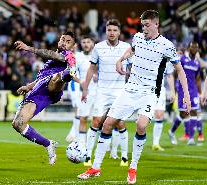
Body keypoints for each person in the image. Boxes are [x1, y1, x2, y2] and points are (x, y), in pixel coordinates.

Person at [77, 10, 191, 184]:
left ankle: (133, 167)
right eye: (142, 25)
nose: (143, 28)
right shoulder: (137, 37)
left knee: (141, 124)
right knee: (107, 124)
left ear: (156, 24)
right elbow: (132, 49)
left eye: (146, 25)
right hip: (129, 89)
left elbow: (180, 70)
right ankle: (96, 167)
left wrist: (186, 95)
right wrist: (120, 60)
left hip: (149, 92)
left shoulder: (166, 45)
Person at [12, 31, 77, 165]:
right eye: (63, 39)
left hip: (53, 88)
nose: (64, 42)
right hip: (38, 91)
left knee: (55, 79)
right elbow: (41, 78)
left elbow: (52, 54)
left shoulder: (67, 55)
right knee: (18, 124)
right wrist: (28, 87)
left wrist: (29, 48)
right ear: (59, 41)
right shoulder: (49, 62)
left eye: (68, 41)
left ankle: (67, 74)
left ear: (73, 47)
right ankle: (48, 144)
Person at [81, 19, 131, 167]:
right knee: (96, 121)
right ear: (106, 31)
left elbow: (133, 68)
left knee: (120, 123)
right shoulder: (98, 47)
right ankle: (87, 155)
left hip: (120, 92)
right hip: (102, 91)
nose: (112, 33)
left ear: (119, 32)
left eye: (115, 30)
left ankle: (124, 157)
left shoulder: (126, 47)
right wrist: (85, 88)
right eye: (109, 30)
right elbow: (92, 69)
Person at [168, 42, 202, 145]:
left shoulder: (197, 63)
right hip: (182, 90)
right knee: (183, 114)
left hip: (193, 91)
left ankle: (191, 139)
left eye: (196, 47)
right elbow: (174, 74)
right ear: (188, 48)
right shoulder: (182, 59)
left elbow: (198, 79)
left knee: (194, 112)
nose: (195, 49)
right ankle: (172, 131)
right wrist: (173, 91)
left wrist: (200, 93)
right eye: (193, 47)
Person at [72, 36, 97, 166]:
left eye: (88, 42)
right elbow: (72, 73)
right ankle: (83, 151)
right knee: (83, 119)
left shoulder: (98, 54)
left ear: (93, 43)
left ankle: (100, 149)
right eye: (84, 42)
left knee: (98, 122)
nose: (86, 44)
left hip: (100, 93)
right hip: (85, 93)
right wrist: (81, 81)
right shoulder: (78, 57)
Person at [152, 63, 175, 151]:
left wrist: (172, 91)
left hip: (160, 89)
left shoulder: (166, 59)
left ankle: (155, 144)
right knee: (143, 119)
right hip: (146, 89)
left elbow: (169, 75)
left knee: (159, 115)